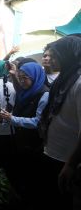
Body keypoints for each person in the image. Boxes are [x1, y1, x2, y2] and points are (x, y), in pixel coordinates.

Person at [38, 35, 81, 210]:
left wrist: (71, 164)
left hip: (67, 160)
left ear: (68, 55)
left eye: (56, 55)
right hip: (53, 152)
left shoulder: (79, 82)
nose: (51, 59)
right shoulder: (64, 78)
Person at [0, 62, 49, 207]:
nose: (21, 81)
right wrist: (6, 118)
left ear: (35, 77)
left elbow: (38, 122)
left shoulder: (44, 94)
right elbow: (16, 113)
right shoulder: (23, 92)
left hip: (34, 144)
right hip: (20, 140)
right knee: (19, 173)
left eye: (25, 78)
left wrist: (12, 119)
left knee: (31, 177)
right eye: (19, 78)